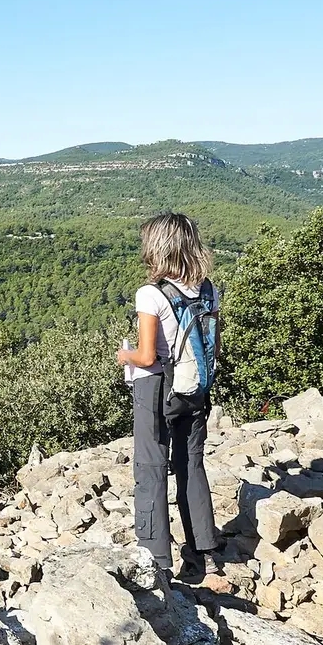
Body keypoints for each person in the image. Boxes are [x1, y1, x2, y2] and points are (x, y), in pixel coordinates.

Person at [115, 211, 225, 586]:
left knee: (150, 469)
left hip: (156, 387)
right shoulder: (207, 289)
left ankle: (155, 559)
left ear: (158, 247)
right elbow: (215, 345)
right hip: (195, 388)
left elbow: (146, 356)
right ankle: (204, 555)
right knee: (191, 465)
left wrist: (123, 356)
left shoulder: (151, 294)